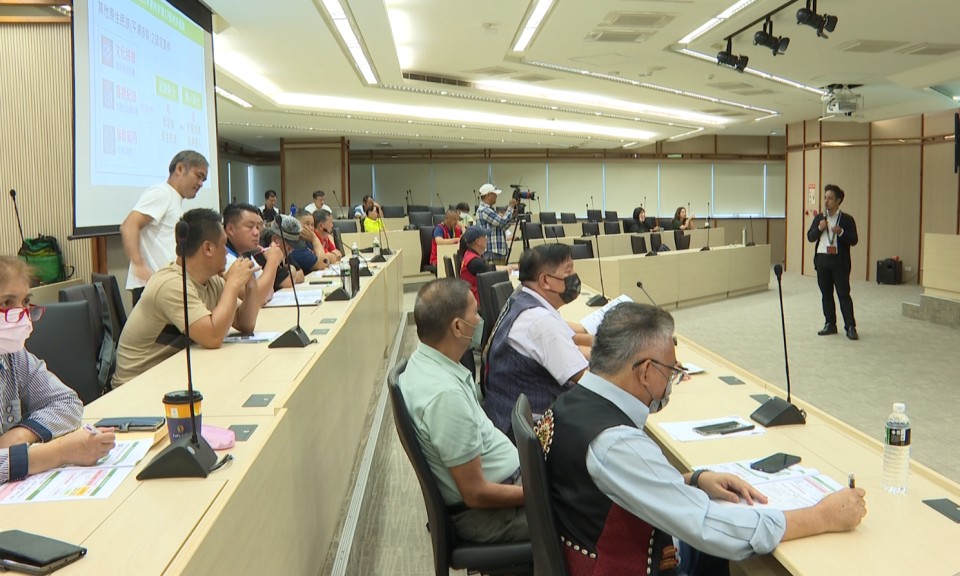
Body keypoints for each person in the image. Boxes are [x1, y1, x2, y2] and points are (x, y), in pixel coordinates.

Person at [540, 302, 867, 574]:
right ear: (646, 371)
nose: (672, 382)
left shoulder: (572, 402)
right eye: (671, 371)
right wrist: (822, 516)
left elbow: (608, 485)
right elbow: (712, 528)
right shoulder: (616, 442)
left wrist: (692, 480)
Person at [399, 278, 528, 543]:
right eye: (475, 312)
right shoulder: (445, 397)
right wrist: (539, 493)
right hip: (492, 515)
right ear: (458, 327)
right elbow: (476, 494)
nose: (480, 320)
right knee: (585, 514)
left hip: (506, 490)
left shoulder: (428, 361)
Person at [0, 256, 117, 484]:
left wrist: (21, 434)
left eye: (25, 302)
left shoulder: (13, 355)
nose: (21, 314)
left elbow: (67, 402)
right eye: (6, 302)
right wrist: (60, 452)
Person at [113, 208, 261, 386]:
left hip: (170, 374)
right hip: (136, 385)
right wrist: (233, 284)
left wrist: (251, 285)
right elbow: (213, 337)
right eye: (223, 245)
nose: (226, 253)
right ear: (208, 248)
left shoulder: (210, 280)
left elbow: (244, 323)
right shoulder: (171, 284)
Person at [482, 244, 592, 435]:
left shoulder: (523, 298)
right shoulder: (540, 321)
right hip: (528, 431)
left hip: (503, 412)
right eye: (568, 271)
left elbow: (570, 340)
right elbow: (587, 379)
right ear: (545, 280)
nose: (574, 276)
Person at [121, 150, 208, 305]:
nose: (201, 183)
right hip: (153, 286)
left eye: (204, 179)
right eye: (198, 176)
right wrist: (139, 265)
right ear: (180, 169)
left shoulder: (174, 199)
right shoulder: (162, 192)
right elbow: (129, 225)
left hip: (164, 285)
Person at [807, 184, 859, 340]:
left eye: (830, 198)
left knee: (843, 294)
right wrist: (819, 229)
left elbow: (854, 240)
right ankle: (830, 324)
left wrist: (841, 232)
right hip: (822, 260)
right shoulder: (819, 218)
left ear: (838, 201)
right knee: (826, 294)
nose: (826, 201)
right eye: (825, 198)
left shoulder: (847, 219)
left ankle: (850, 326)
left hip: (839, 261)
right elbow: (810, 237)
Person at [223, 202, 289, 305]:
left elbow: (269, 292)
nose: (256, 233)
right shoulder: (225, 258)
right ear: (230, 229)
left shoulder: (246, 253)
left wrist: (263, 292)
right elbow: (257, 299)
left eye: (258, 227)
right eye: (250, 227)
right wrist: (272, 261)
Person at [476, 184, 517, 265]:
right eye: (494, 194)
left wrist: (513, 214)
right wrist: (510, 207)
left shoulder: (488, 209)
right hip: (492, 252)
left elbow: (502, 227)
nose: (496, 196)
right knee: (496, 273)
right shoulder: (484, 210)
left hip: (496, 252)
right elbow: (502, 222)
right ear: (488, 195)